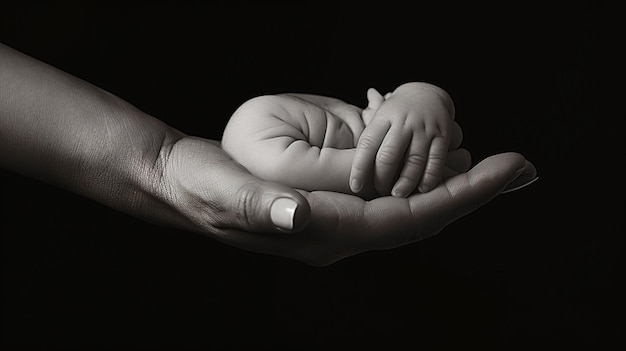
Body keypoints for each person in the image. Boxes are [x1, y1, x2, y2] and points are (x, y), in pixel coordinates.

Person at [0, 42, 537, 266]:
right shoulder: (362, 124)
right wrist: (417, 104)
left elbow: (407, 99)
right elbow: (401, 103)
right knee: (300, 167)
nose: (429, 139)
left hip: (262, 133)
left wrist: (423, 100)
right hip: (268, 132)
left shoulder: (380, 119)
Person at [222, 82, 459, 199]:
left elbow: (369, 171)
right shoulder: (269, 151)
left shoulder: (368, 116)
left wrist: (417, 95)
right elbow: (370, 174)